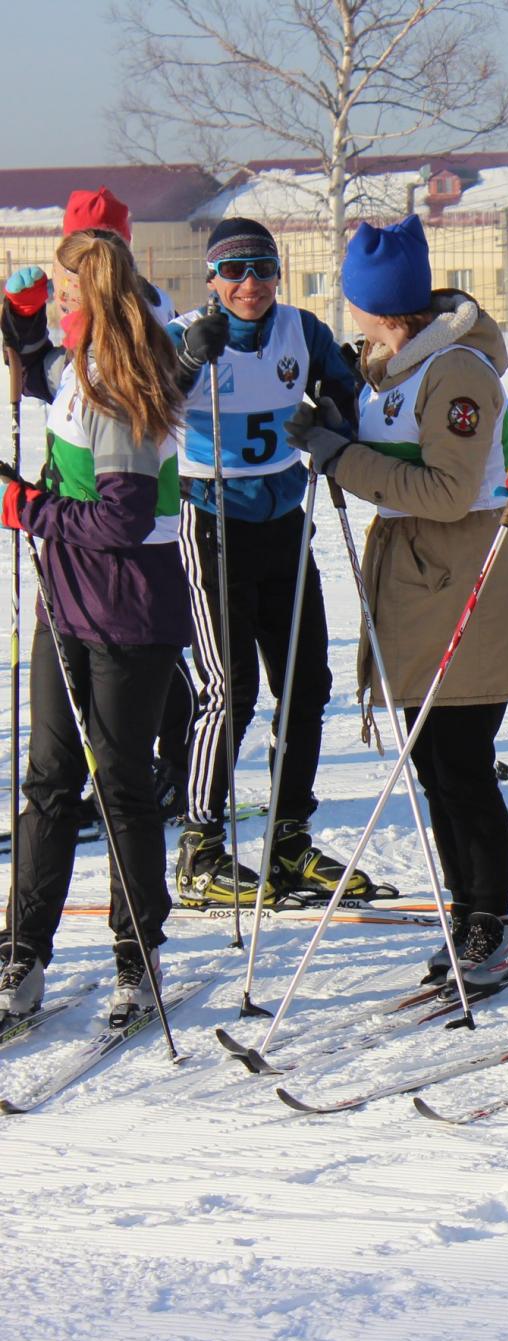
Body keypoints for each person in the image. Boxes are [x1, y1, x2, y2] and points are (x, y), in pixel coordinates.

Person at [282, 215, 508, 991]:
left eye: (350, 300)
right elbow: (387, 449)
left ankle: (491, 918)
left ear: (377, 303)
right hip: (415, 583)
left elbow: (449, 489)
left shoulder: (454, 371)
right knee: (433, 762)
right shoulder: (394, 365)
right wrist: (337, 430)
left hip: (466, 585)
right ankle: (468, 910)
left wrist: (343, 457)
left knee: (460, 762)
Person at [0, 230, 188, 1027]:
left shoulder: (122, 388)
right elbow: (40, 370)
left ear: (97, 307)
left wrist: (26, 507)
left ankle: (135, 954)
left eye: (67, 303)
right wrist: (21, 324)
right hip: (65, 601)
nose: (60, 314)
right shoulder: (81, 369)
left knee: (118, 784)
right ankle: (22, 951)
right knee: (46, 781)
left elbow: (122, 516)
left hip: (125, 610)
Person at [166, 217, 371, 906]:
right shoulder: (188, 334)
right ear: (212, 280)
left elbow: (340, 383)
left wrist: (337, 409)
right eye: (234, 271)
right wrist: (189, 362)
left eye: (262, 268)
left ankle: (288, 835)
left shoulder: (299, 329)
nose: (249, 284)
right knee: (231, 691)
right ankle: (199, 845)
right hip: (212, 520)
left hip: (285, 520)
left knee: (305, 681)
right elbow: (148, 407)